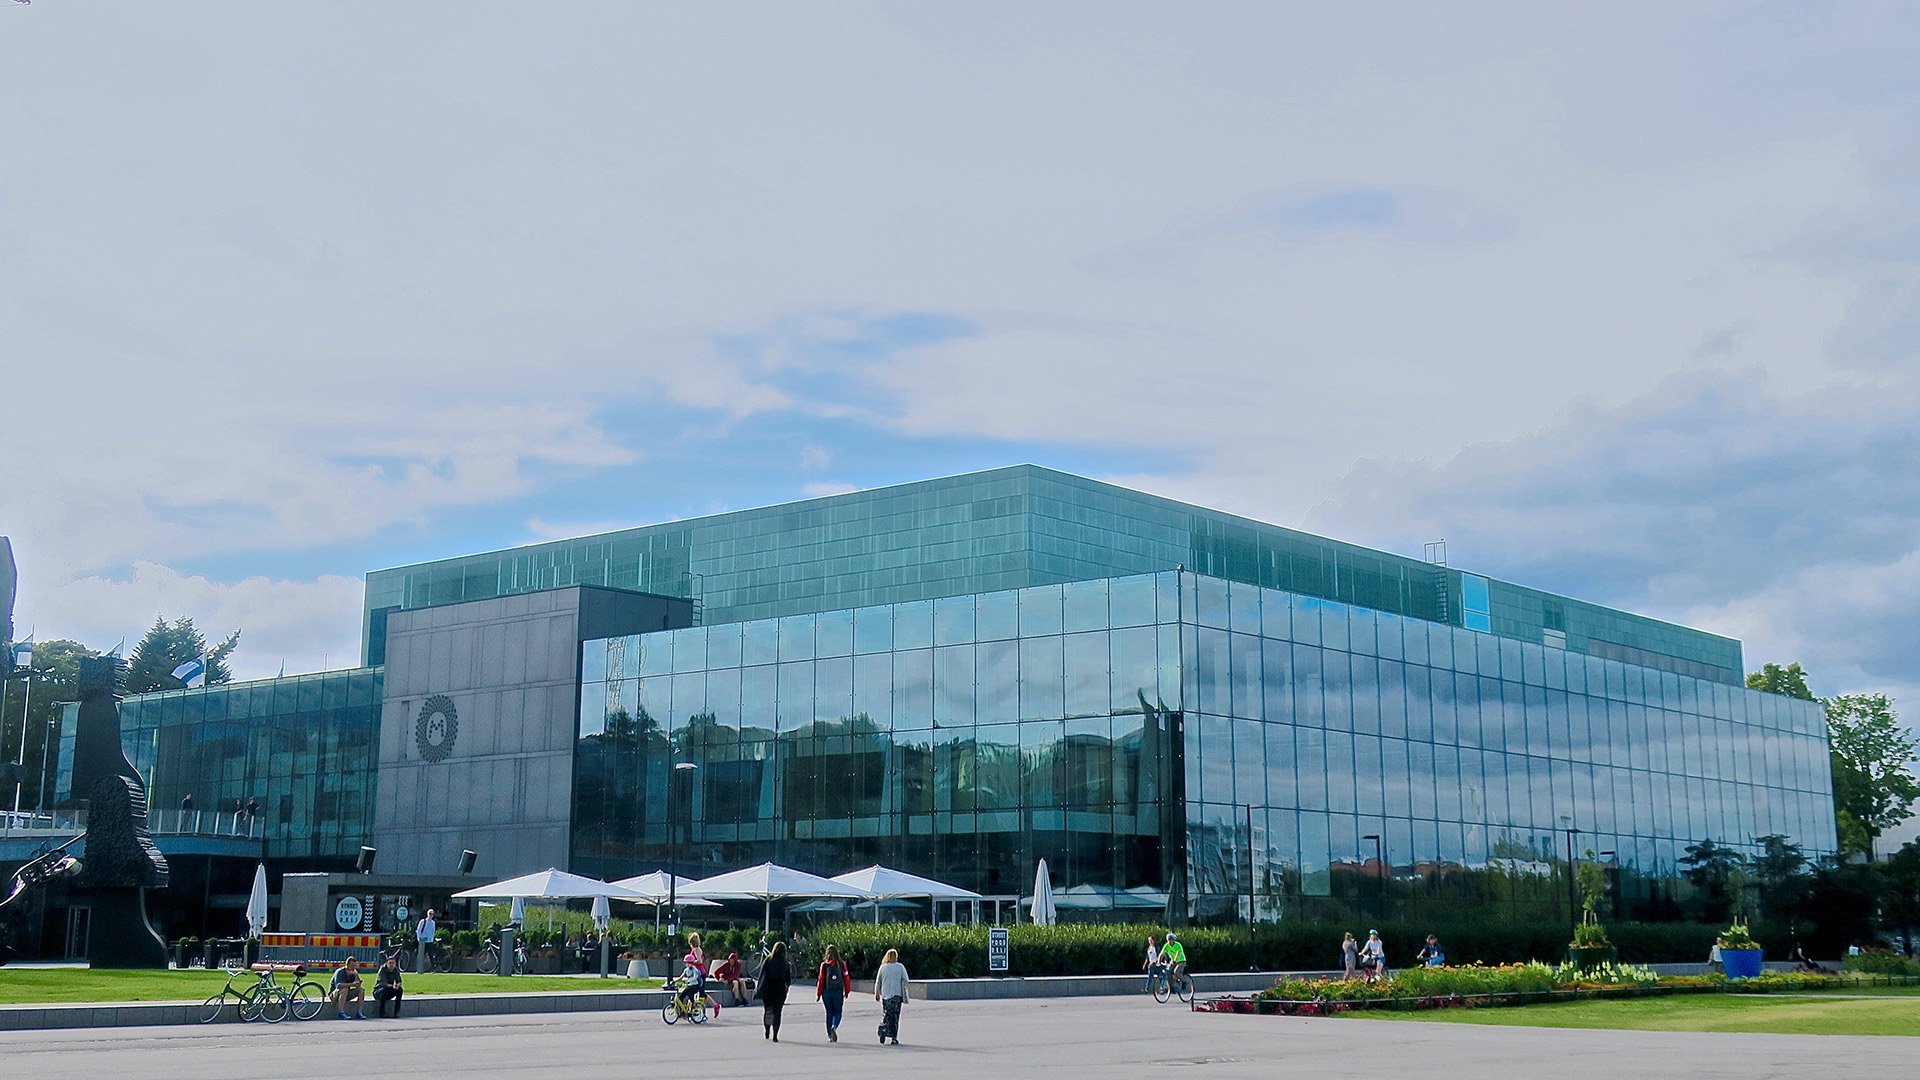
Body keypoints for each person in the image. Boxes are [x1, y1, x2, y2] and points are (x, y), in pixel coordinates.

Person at [874, 947, 909, 1045]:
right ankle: (894, 1037)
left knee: (886, 1014)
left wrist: (877, 993)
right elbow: (906, 979)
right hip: (897, 995)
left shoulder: (883, 967)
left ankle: (884, 1029)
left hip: (885, 995)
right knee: (895, 1017)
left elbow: (878, 981)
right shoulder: (900, 967)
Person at [758, 939, 792, 1041]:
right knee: (777, 1011)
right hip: (779, 988)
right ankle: (775, 1034)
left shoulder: (768, 960)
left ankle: (767, 1029)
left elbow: (762, 975)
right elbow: (788, 979)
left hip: (768, 988)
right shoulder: (785, 963)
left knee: (768, 1010)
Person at [816, 943, 850, 1042]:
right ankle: (834, 1027)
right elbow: (846, 978)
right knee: (838, 1012)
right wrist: (847, 991)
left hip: (826, 991)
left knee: (829, 1013)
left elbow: (821, 979)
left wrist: (818, 993)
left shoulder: (824, 965)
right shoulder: (842, 964)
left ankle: (830, 1036)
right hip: (838, 991)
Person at [373, 953, 404, 1018]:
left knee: (400, 990)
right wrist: (393, 986)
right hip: (379, 991)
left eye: (393, 963)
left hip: (389, 990)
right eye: (390, 963)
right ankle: (382, 1013)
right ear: (387, 963)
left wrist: (398, 985)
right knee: (384, 990)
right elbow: (383, 983)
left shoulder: (395, 969)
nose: (391, 965)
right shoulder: (383, 969)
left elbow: (399, 980)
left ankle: (396, 1012)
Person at [414, 908, 438, 973]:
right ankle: (419, 969)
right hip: (423, 941)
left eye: (432, 914)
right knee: (421, 955)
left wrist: (432, 939)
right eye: (430, 914)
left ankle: (433, 969)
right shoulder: (423, 921)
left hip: (429, 941)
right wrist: (419, 939)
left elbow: (433, 931)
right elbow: (418, 930)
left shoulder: (433, 923)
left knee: (431, 955)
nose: (431, 915)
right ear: (427, 914)